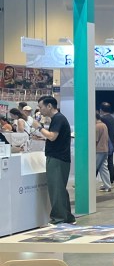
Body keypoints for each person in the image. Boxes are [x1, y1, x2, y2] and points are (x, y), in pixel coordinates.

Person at [35, 95, 74, 224]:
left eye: (41, 107)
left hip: (57, 158)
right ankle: (67, 217)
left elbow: (52, 136)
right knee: (60, 188)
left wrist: (39, 127)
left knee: (56, 188)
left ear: (49, 106)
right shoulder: (58, 118)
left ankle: (58, 218)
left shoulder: (58, 118)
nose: (40, 110)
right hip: (60, 158)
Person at [99, 102, 114, 184]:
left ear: (101, 110)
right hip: (111, 143)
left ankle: (106, 181)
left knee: (101, 163)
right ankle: (111, 180)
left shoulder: (102, 119)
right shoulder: (113, 119)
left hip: (104, 144)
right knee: (110, 162)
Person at [94, 112, 112, 192]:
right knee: (103, 168)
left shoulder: (97, 126)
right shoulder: (104, 125)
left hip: (98, 150)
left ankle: (86, 185)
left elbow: (95, 140)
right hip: (105, 149)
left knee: (93, 168)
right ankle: (107, 185)